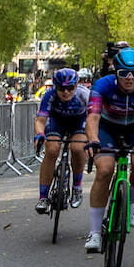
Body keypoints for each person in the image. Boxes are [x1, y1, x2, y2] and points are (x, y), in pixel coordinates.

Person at [81, 47, 134, 254]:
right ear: (115, 72)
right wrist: (92, 139)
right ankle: (95, 233)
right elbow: (92, 117)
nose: (129, 79)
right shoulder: (102, 85)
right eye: (123, 74)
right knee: (104, 169)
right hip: (108, 127)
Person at [33, 68, 92, 213]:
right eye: (61, 88)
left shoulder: (84, 95)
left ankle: (77, 187)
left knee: (78, 148)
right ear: (55, 87)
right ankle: (43, 197)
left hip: (79, 122)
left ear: (76, 86)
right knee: (52, 150)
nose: (66, 92)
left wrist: (93, 138)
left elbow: (94, 118)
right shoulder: (49, 95)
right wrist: (39, 134)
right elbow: (40, 120)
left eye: (70, 88)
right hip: (56, 121)